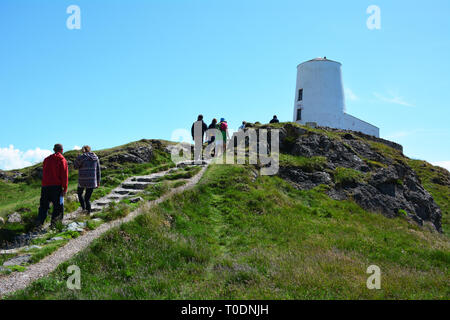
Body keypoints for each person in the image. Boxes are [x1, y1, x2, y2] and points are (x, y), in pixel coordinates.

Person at [35, 144, 68, 228]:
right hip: (56, 186)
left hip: (45, 186)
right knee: (58, 206)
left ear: (54, 149)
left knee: (43, 206)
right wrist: (65, 188)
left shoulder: (46, 160)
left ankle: (39, 223)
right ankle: (55, 225)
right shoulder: (62, 160)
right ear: (62, 150)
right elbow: (64, 175)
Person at [74, 146, 101, 215]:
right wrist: (98, 181)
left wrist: (78, 160)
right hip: (92, 181)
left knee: (79, 194)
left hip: (82, 180)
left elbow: (75, 167)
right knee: (87, 198)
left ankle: (83, 208)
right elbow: (98, 171)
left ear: (83, 150)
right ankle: (88, 212)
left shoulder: (80, 157)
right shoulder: (95, 158)